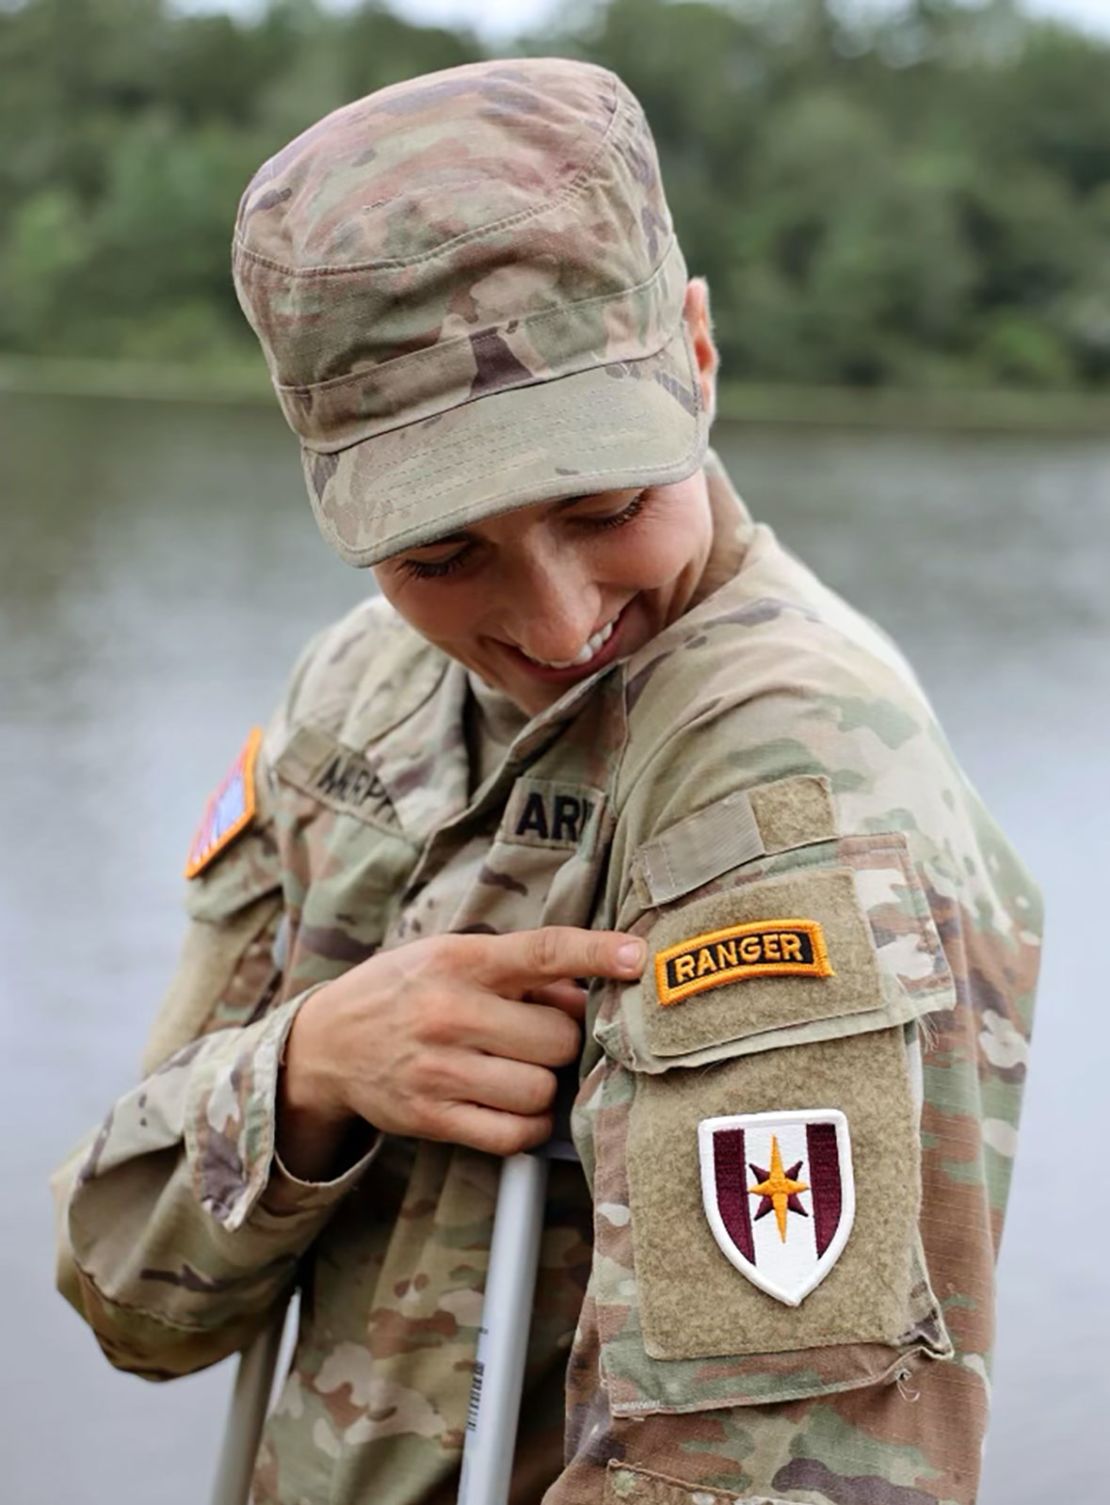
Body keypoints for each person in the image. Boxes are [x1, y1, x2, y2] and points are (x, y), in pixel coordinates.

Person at [51, 57, 1042, 1505]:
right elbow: (129, 1291)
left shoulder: (787, 785)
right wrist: (311, 1068)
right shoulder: (359, 690)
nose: (560, 621)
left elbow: (768, 1482)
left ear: (697, 355)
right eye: (441, 555)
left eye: (605, 508)